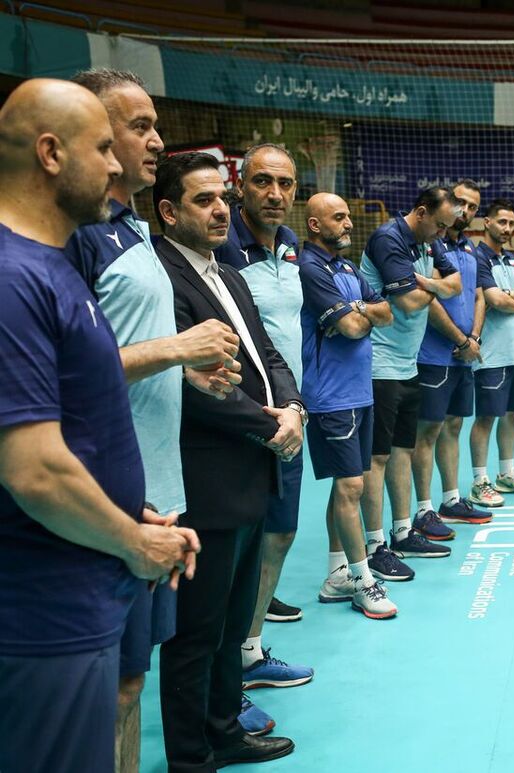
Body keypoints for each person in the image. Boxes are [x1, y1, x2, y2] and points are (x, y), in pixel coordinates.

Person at [0, 77, 197, 773]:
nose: (117, 165)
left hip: (86, 576)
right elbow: (33, 468)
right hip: (44, 606)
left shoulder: (51, 266)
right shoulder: (12, 278)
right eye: (103, 149)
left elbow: (72, 422)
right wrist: (135, 540)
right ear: (52, 153)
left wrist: (125, 509)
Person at [64, 67, 247, 767]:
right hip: (106, 495)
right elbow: (64, 369)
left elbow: (120, 347)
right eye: (138, 125)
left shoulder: (132, 231)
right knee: (101, 689)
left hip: (157, 491)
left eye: (154, 125)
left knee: (130, 682)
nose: (156, 141)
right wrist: (176, 347)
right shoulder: (76, 237)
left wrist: (182, 370)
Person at [155, 151, 303, 769]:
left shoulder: (230, 275)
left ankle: (224, 731)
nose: (221, 209)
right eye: (204, 200)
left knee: (232, 622)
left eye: (222, 197)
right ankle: (191, 757)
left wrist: (292, 406)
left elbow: (267, 353)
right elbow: (191, 388)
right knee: (197, 631)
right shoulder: (163, 278)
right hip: (208, 480)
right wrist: (270, 427)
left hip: (250, 475)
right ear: (169, 212)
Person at [212, 144, 314, 714]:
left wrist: (295, 404)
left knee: (279, 534)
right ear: (241, 187)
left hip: (289, 416)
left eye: (285, 183)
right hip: (242, 420)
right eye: (262, 182)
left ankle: (249, 652)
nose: (275, 194)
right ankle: (223, 678)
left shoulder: (290, 245)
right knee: (237, 548)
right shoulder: (223, 245)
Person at [299, 192, 399, 618]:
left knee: (347, 485)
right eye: (338, 217)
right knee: (351, 487)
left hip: (359, 392)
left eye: (347, 217)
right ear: (315, 225)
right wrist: (361, 313)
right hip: (331, 396)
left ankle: (336, 573)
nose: (348, 224)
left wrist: (360, 310)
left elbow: (386, 312)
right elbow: (352, 327)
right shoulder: (310, 268)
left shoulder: (346, 267)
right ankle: (362, 579)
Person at [360, 186, 461, 564]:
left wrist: (427, 283)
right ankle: (374, 546)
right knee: (377, 457)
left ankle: (402, 531)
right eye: (439, 225)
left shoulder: (428, 242)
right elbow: (407, 301)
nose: (443, 234)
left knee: (402, 449)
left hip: (407, 363)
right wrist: (436, 287)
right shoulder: (389, 239)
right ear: (421, 212)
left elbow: (455, 285)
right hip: (379, 364)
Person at [412, 179, 492, 534]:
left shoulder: (471, 248)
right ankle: (424, 510)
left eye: (473, 206)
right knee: (427, 431)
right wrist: (461, 339)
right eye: (461, 203)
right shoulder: (429, 245)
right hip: (433, 355)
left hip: (464, 354)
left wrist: (473, 338)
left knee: (454, 426)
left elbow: (478, 296)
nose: (466, 211)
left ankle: (451, 499)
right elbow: (427, 300)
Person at [469, 198, 514, 507]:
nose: (507, 228)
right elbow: (494, 301)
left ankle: (507, 474)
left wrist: (510, 295)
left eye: (511, 223)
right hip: (490, 355)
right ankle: (479, 481)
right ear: (487, 222)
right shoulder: (477, 257)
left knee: (512, 415)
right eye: (502, 222)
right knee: (486, 417)